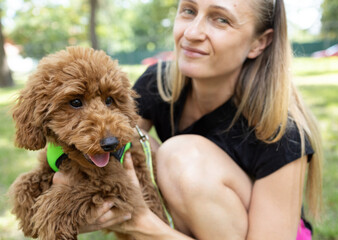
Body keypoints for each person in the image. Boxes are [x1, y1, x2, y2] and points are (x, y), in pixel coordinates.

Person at [53, 0, 323, 239]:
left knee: (180, 156)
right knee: (136, 144)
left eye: (221, 19)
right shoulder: (157, 84)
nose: (191, 33)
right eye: (188, 10)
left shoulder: (283, 132)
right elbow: (106, 159)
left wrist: (142, 225)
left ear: (258, 43)